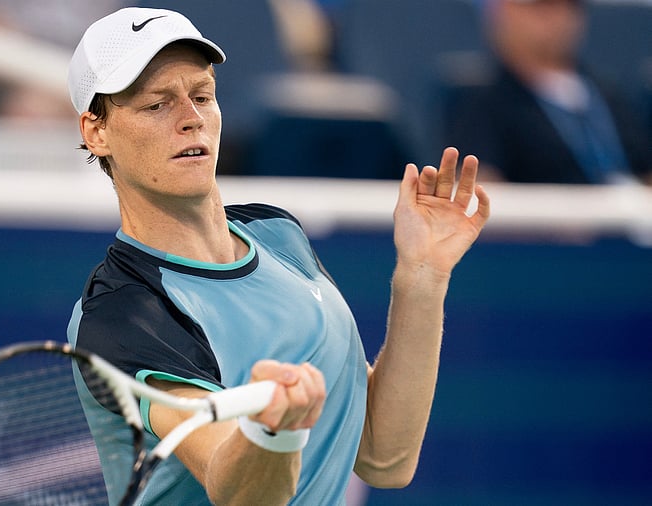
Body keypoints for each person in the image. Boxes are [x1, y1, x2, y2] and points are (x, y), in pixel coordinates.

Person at [65, 7, 490, 505]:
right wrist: (276, 433)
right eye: (157, 105)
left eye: (203, 96)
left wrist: (423, 274)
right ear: (97, 131)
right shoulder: (123, 314)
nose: (192, 119)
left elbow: (383, 454)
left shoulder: (278, 233)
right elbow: (242, 494)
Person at [444, 0, 652, 185]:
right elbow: (479, 183)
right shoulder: (482, 101)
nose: (555, 18)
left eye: (566, 6)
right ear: (501, 13)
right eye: (540, 7)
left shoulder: (608, 95)